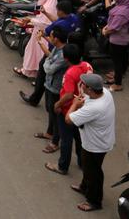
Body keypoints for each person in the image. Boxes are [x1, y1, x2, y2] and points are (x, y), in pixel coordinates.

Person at [66, 73, 116, 212]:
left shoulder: (95, 107)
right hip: (100, 140)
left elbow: (69, 119)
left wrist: (74, 105)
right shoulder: (105, 93)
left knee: (93, 172)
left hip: (95, 145)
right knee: (89, 168)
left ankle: (94, 201)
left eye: (83, 85)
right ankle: (84, 186)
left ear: (90, 89)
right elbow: (87, 98)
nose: (81, 86)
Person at [46, 44, 92, 177]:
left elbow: (69, 94)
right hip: (83, 108)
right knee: (80, 137)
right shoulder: (87, 66)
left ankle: (62, 166)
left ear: (66, 59)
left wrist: (58, 104)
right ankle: (81, 162)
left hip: (69, 109)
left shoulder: (70, 73)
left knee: (66, 139)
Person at [15, 0, 58, 79]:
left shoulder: (49, 8)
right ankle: (28, 71)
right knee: (32, 52)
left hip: (43, 36)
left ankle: (36, 76)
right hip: (39, 34)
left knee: (39, 55)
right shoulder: (50, 5)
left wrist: (30, 20)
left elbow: (45, 23)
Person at [103, 0, 129, 91]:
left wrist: (105, 31)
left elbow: (113, 28)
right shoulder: (125, 4)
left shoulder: (122, 12)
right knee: (123, 57)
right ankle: (119, 74)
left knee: (117, 61)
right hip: (124, 38)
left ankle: (118, 84)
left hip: (117, 40)